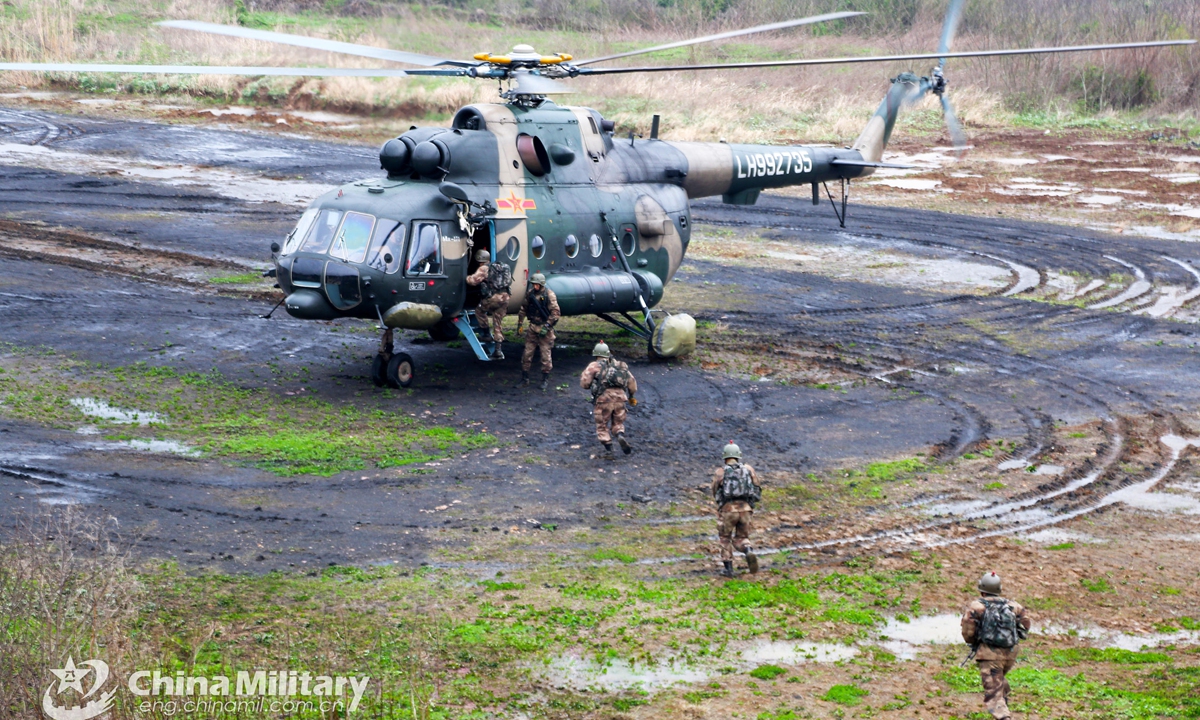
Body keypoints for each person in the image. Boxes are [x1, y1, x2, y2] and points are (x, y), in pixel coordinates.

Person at [960, 572, 1031, 720]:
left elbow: (967, 630)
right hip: (1010, 653)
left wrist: (975, 642)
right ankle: (1003, 699)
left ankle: (1004, 715)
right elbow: (1026, 624)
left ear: (982, 590)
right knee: (997, 679)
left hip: (989, 654)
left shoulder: (977, 606)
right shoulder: (1013, 605)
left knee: (993, 694)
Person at [710, 442, 761, 577]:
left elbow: (715, 490)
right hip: (746, 509)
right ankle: (748, 550)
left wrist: (720, 503)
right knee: (742, 537)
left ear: (725, 456)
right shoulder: (748, 469)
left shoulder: (720, 472)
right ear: (738, 455)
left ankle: (728, 569)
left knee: (725, 538)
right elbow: (757, 487)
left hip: (728, 510)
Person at [579, 342, 638, 454]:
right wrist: (631, 396)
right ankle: (619, 434)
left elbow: (584, 384)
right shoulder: (620, 365)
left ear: (596, 354)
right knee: (618, 422)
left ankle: (609, 449)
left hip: (603, 400)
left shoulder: (594, 366)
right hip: (621, 399)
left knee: (602, 425)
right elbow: (632, 383)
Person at [465, 248, 511, 360]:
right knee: (497, 323)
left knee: (479, 311)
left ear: (479, 259)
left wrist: (466, 277)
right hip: (505, 298)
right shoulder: (498, 267)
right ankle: (498, 350)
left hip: (493, 298)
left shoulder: (483, 269)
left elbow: (473, 281)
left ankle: (486, 333)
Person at [516, 272, 560, 390]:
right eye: (533, 284)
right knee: (527, 354)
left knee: (545, 356)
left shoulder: (549, 295)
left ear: (541, 285)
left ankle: (545, 379)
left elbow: (555, 313)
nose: (535, 287)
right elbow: (523, 308)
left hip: (545, 328)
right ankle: (525, 378)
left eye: (537, 285)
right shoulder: (530, 294)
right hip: (533, 327)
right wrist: (520, 323)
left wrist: (546, 326)